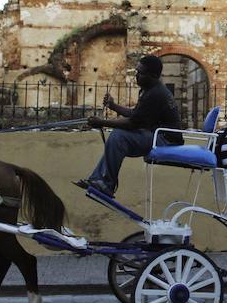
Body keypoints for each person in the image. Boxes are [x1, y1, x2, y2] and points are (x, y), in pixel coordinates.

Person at [76, 55, 182, 197]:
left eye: (141, 73)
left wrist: (102, 122)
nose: (136, 76)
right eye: (136, 72)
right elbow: (135, 115)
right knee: (118, 136)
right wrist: (113, 106)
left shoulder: (155, 94)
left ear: (153, 75)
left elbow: (132, 123)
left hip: (166, 141)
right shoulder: (149, 90)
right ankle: (99, 180)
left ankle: (106, 184)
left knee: (119, 137)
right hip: (157, 136)